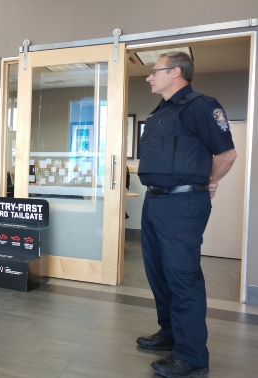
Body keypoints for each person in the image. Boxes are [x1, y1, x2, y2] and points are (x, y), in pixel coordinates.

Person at [137, 51, 237, 377]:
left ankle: (192, 357)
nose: (149, 77)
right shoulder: (160, 112)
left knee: (183, 278)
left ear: (176, 72)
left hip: (182, 205)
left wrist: (207, 182)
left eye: (155, 72)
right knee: (159, 275)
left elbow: (227, 154)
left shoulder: (202, 106)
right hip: (154, 202)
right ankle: (170, 334)